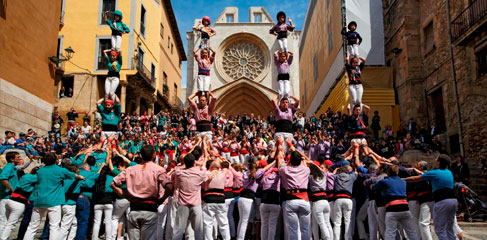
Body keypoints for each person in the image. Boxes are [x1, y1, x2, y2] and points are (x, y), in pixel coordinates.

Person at [111, 145, 170, 240]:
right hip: (150, 209)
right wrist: (161, 199)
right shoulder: (158, 169)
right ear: (154, 155)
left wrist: (127, 197)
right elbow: (169, 186)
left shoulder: (130, 169)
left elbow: (113, 184)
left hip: (134, 209)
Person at [23, 153, 84, 240]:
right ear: (55, 160)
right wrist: (80, 177)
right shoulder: (60, 170)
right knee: (54, 226)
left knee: (32, 226)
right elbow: (73, 175)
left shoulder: (40, 170)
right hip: (54, 201)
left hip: (39, 200)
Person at [404, 155, 457, 240]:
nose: (435, 160)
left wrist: (401, 179)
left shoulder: (433, 173)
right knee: (449, 227)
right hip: (453, 200)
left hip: (441, 201)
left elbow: (414, 179)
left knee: (439, 229)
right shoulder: (449, 172)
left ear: (439, 162)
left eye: (436, 159)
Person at [373, 165, 419, 240]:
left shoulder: (384, 181)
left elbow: (375, 187)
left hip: (392, 209)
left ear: (388, 172)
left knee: (390, 232)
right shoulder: (403, 181)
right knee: (411, 231)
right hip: (405, 208)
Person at [171, 153, 207, 240]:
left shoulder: (178, 173)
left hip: (183, 204)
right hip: (196, 204)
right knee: (199, 230)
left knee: (178, 230)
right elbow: (206, 176)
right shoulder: (200, 174)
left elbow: (172, 178)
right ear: (194, 162)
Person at [278, 150, 311, 240]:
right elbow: (308, 162)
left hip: (291, 200)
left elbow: (280, 164)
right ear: (300, 160)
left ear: (290, 161)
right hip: (304, 200)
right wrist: (303, 158)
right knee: (305, 229)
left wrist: (288, 161)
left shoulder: (285, 170)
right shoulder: (306, 169)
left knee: (293, 229)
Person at [0, 152, 21, 235]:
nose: (19, 158)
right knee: (4, 220)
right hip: (7, 196)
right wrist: (11, 188)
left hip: (9, 197)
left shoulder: (12, 167)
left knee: (6, 220)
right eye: (17, 157)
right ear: (12, 159)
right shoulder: (9, 167)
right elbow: (3, 178)